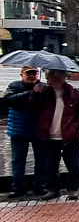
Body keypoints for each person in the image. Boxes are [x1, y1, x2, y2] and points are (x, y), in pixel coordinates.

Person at [31, 69, 79, 201]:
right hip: (49, 136)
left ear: (59, 78)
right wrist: (35, 94)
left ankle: (72, 189)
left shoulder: (74, 94)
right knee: (50, 165)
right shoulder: (45, 93)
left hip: (69, 136)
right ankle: (53, 189)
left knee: (73, 165)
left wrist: (74, 127)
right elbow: (34, 108)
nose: (47, 80)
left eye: (49, 77)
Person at [5, 66, 46, 199]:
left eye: (34, 74)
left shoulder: (44, 87)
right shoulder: (14, 86)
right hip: (19, 130)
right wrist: (31, 93)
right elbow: (9, 99)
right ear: (21, 75)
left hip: (38, 130)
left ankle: (40, 186)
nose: (32, 76)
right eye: (28, 74)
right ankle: (17, 188)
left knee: (41, 160)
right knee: (18, 161)